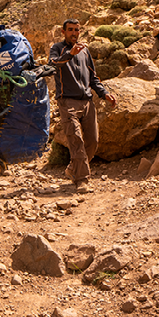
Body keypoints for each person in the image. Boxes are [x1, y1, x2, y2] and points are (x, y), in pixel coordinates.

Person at [49, 19, 116, 191]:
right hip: (67, 102)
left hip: (87, 102)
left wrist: (105, 94)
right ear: (63, 32)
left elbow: (93, 78)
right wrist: (70, 54)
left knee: (92, 142)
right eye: (70, 30)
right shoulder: (57, 49)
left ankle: (73, 169)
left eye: (77, 30)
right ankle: (82, 180)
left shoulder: (85, 51)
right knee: (76, 139)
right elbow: (53, 64)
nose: (74, 33)